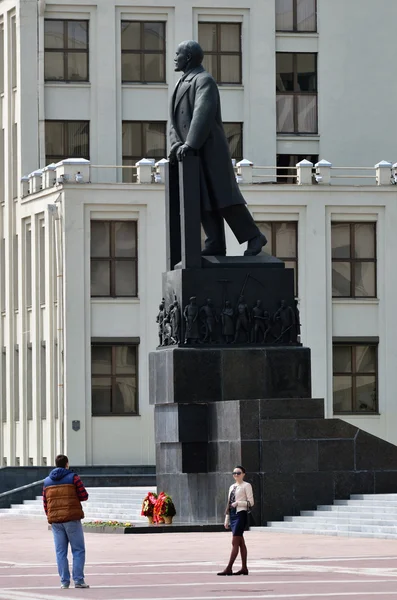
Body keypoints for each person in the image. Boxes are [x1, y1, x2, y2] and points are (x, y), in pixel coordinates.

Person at [169, 40, 267, 257]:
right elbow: (174, 121)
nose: (174, 57)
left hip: (210, 152)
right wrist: (176, 143)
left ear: (189, 57)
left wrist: (190, 143)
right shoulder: (180, 83)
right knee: (203, 198)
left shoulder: (205, 81)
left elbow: (202, 115)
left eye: (178, 53)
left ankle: (254, 236)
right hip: (192, 154)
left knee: (224, 198)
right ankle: (215, 242)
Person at [43, 455, 89, 590]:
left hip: (56, 521)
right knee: (78, 550)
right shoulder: (73, 478)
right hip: (72, 519)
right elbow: (84, 496)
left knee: (60, 552)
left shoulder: (47, 481)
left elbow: (45, 503)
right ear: (67, 464)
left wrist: (50, 516)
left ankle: (64, 581)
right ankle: (79, 580)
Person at [218, 465, 254, 576]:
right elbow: (229, 503)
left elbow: (251, 503)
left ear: (243, 474)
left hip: (241, 514)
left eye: (238, 473)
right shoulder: (232, 487)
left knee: (235, 542)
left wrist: (238, 503)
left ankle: (229, 568)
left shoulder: (246, 486)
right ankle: (244, 568)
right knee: (241, 543)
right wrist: (227, 519)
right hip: (233, 515)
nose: (236, 475)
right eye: (234, 473)